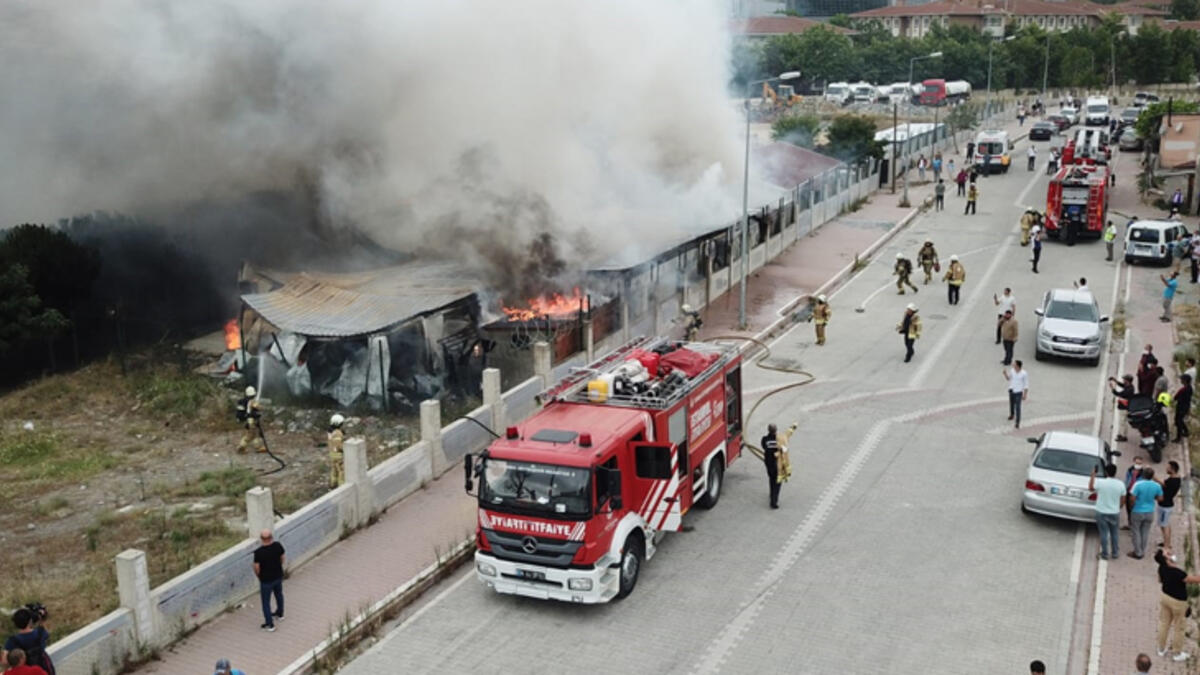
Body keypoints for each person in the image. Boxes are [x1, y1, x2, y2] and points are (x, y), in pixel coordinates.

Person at [1155, 546, 1200, 662]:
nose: (1169, 551)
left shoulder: (1161, 568)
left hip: (1165, 598)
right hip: (1178, 602)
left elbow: (1160, 580)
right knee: (1179, 627)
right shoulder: (1178, 573)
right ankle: (1177, 653)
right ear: (1166, 558)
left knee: (1164, 623)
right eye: (1166, 552)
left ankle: (1161, 649)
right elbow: (1194, 580)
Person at [1089, 463, 1125, 560]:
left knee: (1104, 533)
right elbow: (1123, 499)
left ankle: (1105, 554)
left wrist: (1093, 475)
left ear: (1106, 472)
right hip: (1114, 512)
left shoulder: (1101, 482)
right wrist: (1118, 507)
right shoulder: (1121, 484)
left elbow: (1091, 488)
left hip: (1101, 511)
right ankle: (1115, 553)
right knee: (1115, 533)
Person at [253, 529, 286, 632]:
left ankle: (270, 624)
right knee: (279, 595)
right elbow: (282, 558)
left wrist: (259, 576)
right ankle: (280, 614)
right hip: (278, 576)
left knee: (266, 602)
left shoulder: (258, 552)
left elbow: (256, 568)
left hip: (266, 580)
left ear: (261, 539)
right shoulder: (278, 546)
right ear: (271, 537)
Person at [2, 607, 51, 675]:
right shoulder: (40, 632)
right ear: (30, 621)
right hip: (44, 668)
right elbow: (46, 633)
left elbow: (5, 661)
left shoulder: (12, 640)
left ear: (15, 624)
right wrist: (41, 618)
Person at [1129, 466, 1163, 559]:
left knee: (1136, 531)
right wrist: (1153, 497)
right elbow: (1160, 498)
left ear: (1143, 474)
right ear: (1152, 476)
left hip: (1138, 510)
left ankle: (1137, 552)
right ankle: (1142, 550)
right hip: (1150, 511)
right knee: (1145, 532)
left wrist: (1132, 506)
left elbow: (1132, 498)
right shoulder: (1157, 486)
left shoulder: (1138, 484)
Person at [1158, 461, 1182, 547]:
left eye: (1168, 467)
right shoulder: (1177, 479)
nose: (1166, 469)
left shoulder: (1172, 481)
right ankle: (1166, 542)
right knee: (1165, 524)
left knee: (1165, 525)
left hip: (1165, 505)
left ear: (1172, 469)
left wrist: (1153, 476)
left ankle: (1167, 545)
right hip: (1167, 504)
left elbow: (1163, 484)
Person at [235, 386, 265, 454]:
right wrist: (261, 407)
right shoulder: (252, 402)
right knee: (250, 435)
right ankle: (241, 447)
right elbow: (259, 407)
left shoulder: (246, 401)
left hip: (249, 420)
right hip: (251, 421)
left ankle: (258, 447)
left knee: (254, 434)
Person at [1109, 374, 1136, 442]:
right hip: (1124, 406)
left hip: (1124, 408)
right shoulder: (1130, 386)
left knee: (1122, 422)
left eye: (1124, 380)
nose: (1123, 380)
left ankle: (1123, 436)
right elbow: (1122, 385)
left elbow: (1118, 393)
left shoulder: (1128, 390)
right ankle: (1122, 434)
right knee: (1122, 422)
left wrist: (1112, 388)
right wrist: (1115, 380)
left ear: (1127, 381)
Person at [1002, 360, 1029, 428]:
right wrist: (1005, 374)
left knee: (1018, 407)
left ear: (1018, 366)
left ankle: (1017, 422)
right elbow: (1008, 379)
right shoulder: (1012, 371)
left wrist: (1025, 394)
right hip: (1012, 390)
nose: (1013, 365)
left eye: (1014, 364)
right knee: (1011, 404)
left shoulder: (1024, 373)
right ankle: (1012, 414)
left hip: (1018, 392)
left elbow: (1026, 384)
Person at [761, 424, 782, 509]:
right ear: (776, 430)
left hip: (768, 464)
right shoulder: (779, 440)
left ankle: (771, 494)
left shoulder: (764, 439)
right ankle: (774, 501)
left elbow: (763, 447)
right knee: (777, 482)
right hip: (777, 464)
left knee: (771, 478)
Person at [1124, 456, 1145, 527]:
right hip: (1129, 491)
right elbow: (1126, 479)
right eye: (1137, 463)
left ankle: (1135, 526)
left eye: (1140, 463)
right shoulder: (1130, 470)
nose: (1138, 465)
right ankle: (1130, 524)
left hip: (1137, 494)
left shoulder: (1143, 473)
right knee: (1128, 509)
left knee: (1135, 510)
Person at [327, 414, 346, 489]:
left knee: (334, 470)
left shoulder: (331, 432)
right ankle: (341, 487)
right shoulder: (338, 433)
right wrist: (345, 450)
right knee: (341, 470)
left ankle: (332, 485)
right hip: (338, 455)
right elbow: (339, 445)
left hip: (332, 454)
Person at [1173, 375, 1192, 441]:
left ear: (1185, 381)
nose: (1180, 380)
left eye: (1182, 379)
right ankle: (1186, 432)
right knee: (1180, 420)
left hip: (1181, 407)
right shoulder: (1190, 388)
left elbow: (1175, 397)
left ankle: (1178, 437)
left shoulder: (1183, 390)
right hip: (1186, 406)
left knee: (1178, 422)